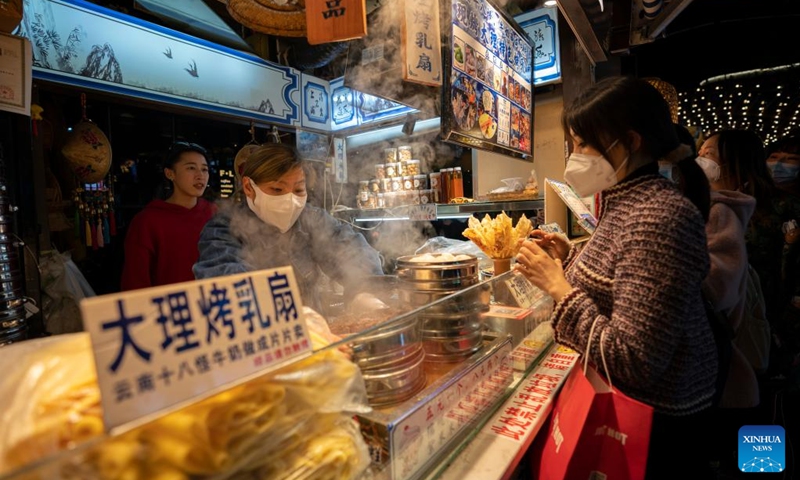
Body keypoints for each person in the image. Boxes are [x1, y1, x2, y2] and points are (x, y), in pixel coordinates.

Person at [513, 76, 717, 477]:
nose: (575, 156)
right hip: (640, 409)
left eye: (583, 144)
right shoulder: (626, 199)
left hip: (655, 425)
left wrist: (559, 287)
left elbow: (634, 360)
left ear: (631, 141)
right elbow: (623, 280)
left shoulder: (658, 217)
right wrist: (569, 256)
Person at [193, 142, 384, 314]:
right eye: (277, 190)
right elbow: (224, 283)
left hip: (317, 340)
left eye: (299, 190)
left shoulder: (311, 219)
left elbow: (350, 251)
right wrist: (286, 315)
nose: (290, 201)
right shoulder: (223, 229)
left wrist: (364, 292)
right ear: (249, 187)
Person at [121, 142, 215, 290]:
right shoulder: (147, 221)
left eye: (204, 169)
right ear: (170, 173)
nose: (200, 176)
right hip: (171, 309)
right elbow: (135, 282)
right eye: (191, 168)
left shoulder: (215, 214)